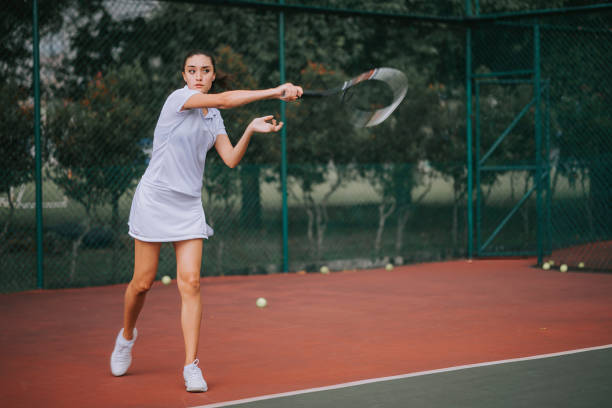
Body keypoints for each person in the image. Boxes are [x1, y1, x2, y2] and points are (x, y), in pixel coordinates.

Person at [110, 50, 302, 392]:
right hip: (154, 200)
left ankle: (191, 366)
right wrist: (275, 91)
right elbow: (228, 100)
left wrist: (250, 129)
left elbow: (229, 158)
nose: (198, 75)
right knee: (143, 282)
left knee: (191, 282)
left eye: (205, 71)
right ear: (184, 76)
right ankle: (126, 337)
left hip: (187, 206)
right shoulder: (178, 100)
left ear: (213, 75)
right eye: (192, 70)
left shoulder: (213, 117)